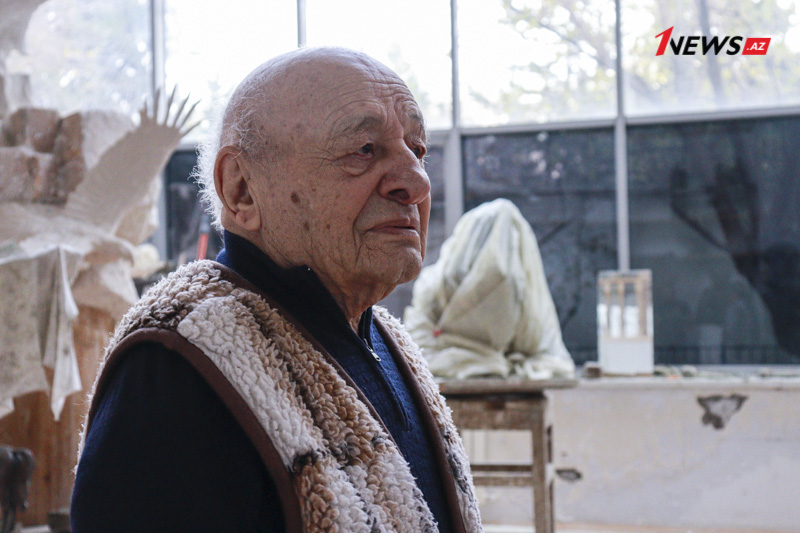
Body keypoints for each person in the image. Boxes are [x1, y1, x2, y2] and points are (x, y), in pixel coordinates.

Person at [70, 47, 482, 533]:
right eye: (364, 150)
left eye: (417, 150)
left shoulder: (381, 338)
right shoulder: (177, 367)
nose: (415, 182)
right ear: (242, 190)